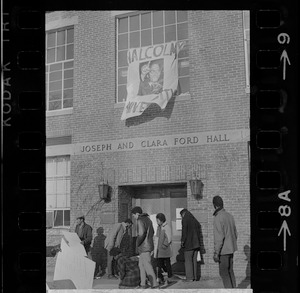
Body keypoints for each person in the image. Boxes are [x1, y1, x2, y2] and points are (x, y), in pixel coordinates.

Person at [212, 195, 238, 288]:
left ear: (215, 206)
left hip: (223, 251)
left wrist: (216, 253)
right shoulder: (230, 216)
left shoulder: (218, 218)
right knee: (230, 271)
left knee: (223, 273)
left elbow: (219, 238)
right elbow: (235, 234)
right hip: (231, 249)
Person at [131, 206, 159, 289]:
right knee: (141, 265)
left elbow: (141, 233)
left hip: (144, 247)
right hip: (148, 246)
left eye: (133, 216)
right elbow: (152, 231)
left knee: (147, 265)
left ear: (137, 214)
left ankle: (154, 284)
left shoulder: (140, 220)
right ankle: (143, 283)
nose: (134, 217)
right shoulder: (148, 219)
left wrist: (137, 243)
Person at [180, 208, 202, 282]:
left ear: (182, 214)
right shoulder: (194, 219)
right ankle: (195, 277)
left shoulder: (185, 219)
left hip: (189, 244)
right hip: (196, 244)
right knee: (194, 261)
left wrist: (182, 241)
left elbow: (184, 232)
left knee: (188, 260)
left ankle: (189, 278)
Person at [154, 213, 173, 285]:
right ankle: (160, 277)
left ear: (162, 220)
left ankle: (170, 277)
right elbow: (157, 237)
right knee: (159, 264)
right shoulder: (158, 227)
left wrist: (163, 246)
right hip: (159, 250)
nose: (157, 222)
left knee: (167, 264)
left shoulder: (166, 227)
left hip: (165, 250)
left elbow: (168, 238)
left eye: (158, 220)